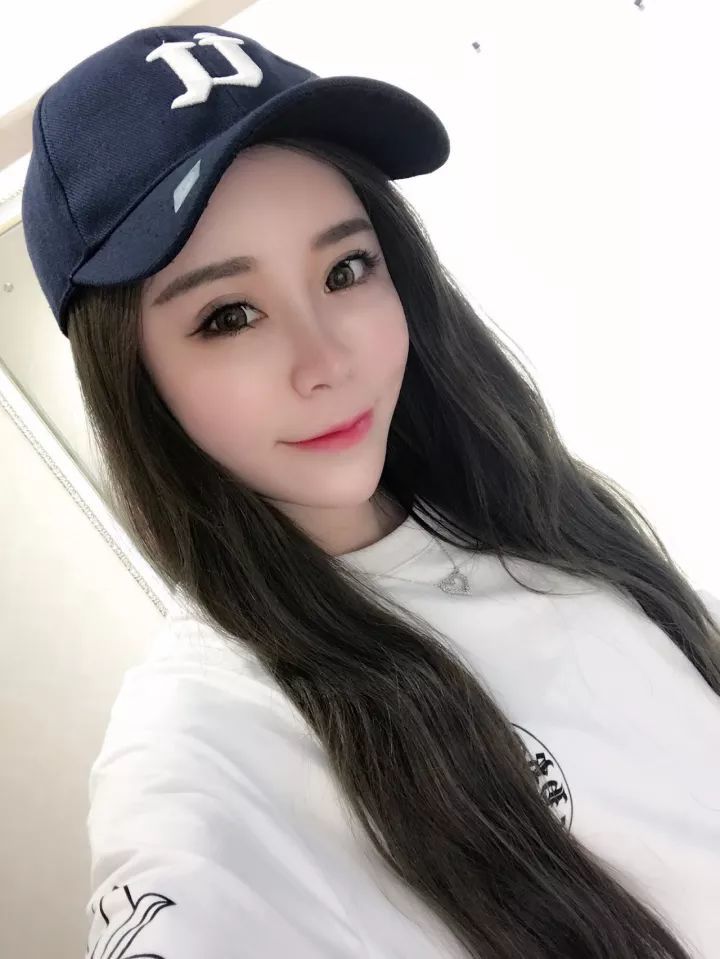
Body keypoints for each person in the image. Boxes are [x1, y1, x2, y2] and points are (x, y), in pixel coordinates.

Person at [21, 24, 720, 959]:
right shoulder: (204, 744)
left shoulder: (532, 508)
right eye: (230, 315)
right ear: (135, 378)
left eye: (345, 268)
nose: (326, 360)